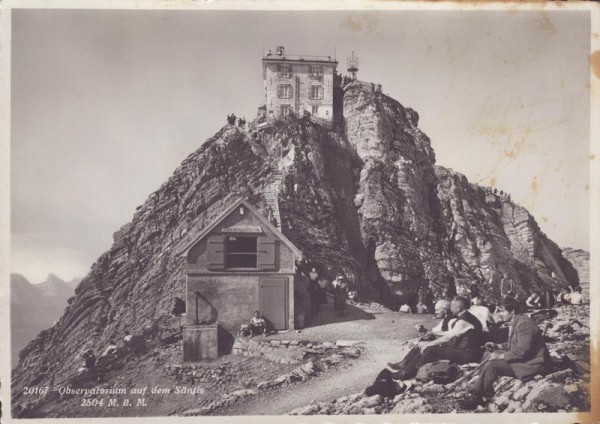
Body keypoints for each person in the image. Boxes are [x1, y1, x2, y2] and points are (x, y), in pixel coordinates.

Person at [459, 296, 551, 410]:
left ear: (512, 311)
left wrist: (501, 356)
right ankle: (486, 390)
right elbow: (513, 344)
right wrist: (497, 346)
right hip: (526, 359)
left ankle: (476, 395)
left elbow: (523, 351)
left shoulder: (524, 324)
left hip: (533, 364)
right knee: (488, 353)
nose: (499, 314)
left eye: (502, 311)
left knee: (493, 364)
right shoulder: (516, 321)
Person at [402, 296, 483, 376]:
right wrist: (433, 333)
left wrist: (428, 344)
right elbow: (450, 333)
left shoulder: (464, 320)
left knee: (430, 350)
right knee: (425, 345)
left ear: (459, 309)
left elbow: (448, 337)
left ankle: (408, 373)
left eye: (452, 306)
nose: (450, 308)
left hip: (467, 354)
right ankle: (405, 369)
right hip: (463, 351)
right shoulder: (466, 317)